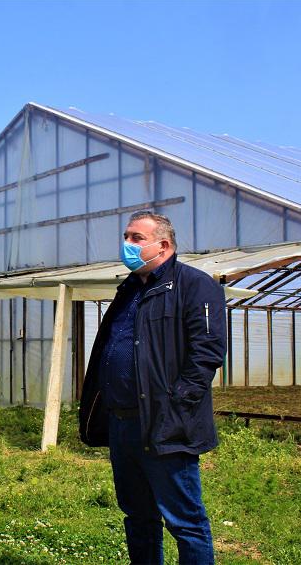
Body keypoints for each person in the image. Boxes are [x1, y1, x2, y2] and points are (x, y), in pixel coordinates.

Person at [79, 211, 226, 565]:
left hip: (163, 423)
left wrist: (177, 405)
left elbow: (207, 352)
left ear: (163, 245)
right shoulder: (129, 289)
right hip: (123, 423)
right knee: (138, 516)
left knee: (185, 522)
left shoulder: (193, 285)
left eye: (136, 238)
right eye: (126, 236)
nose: (126, 244)